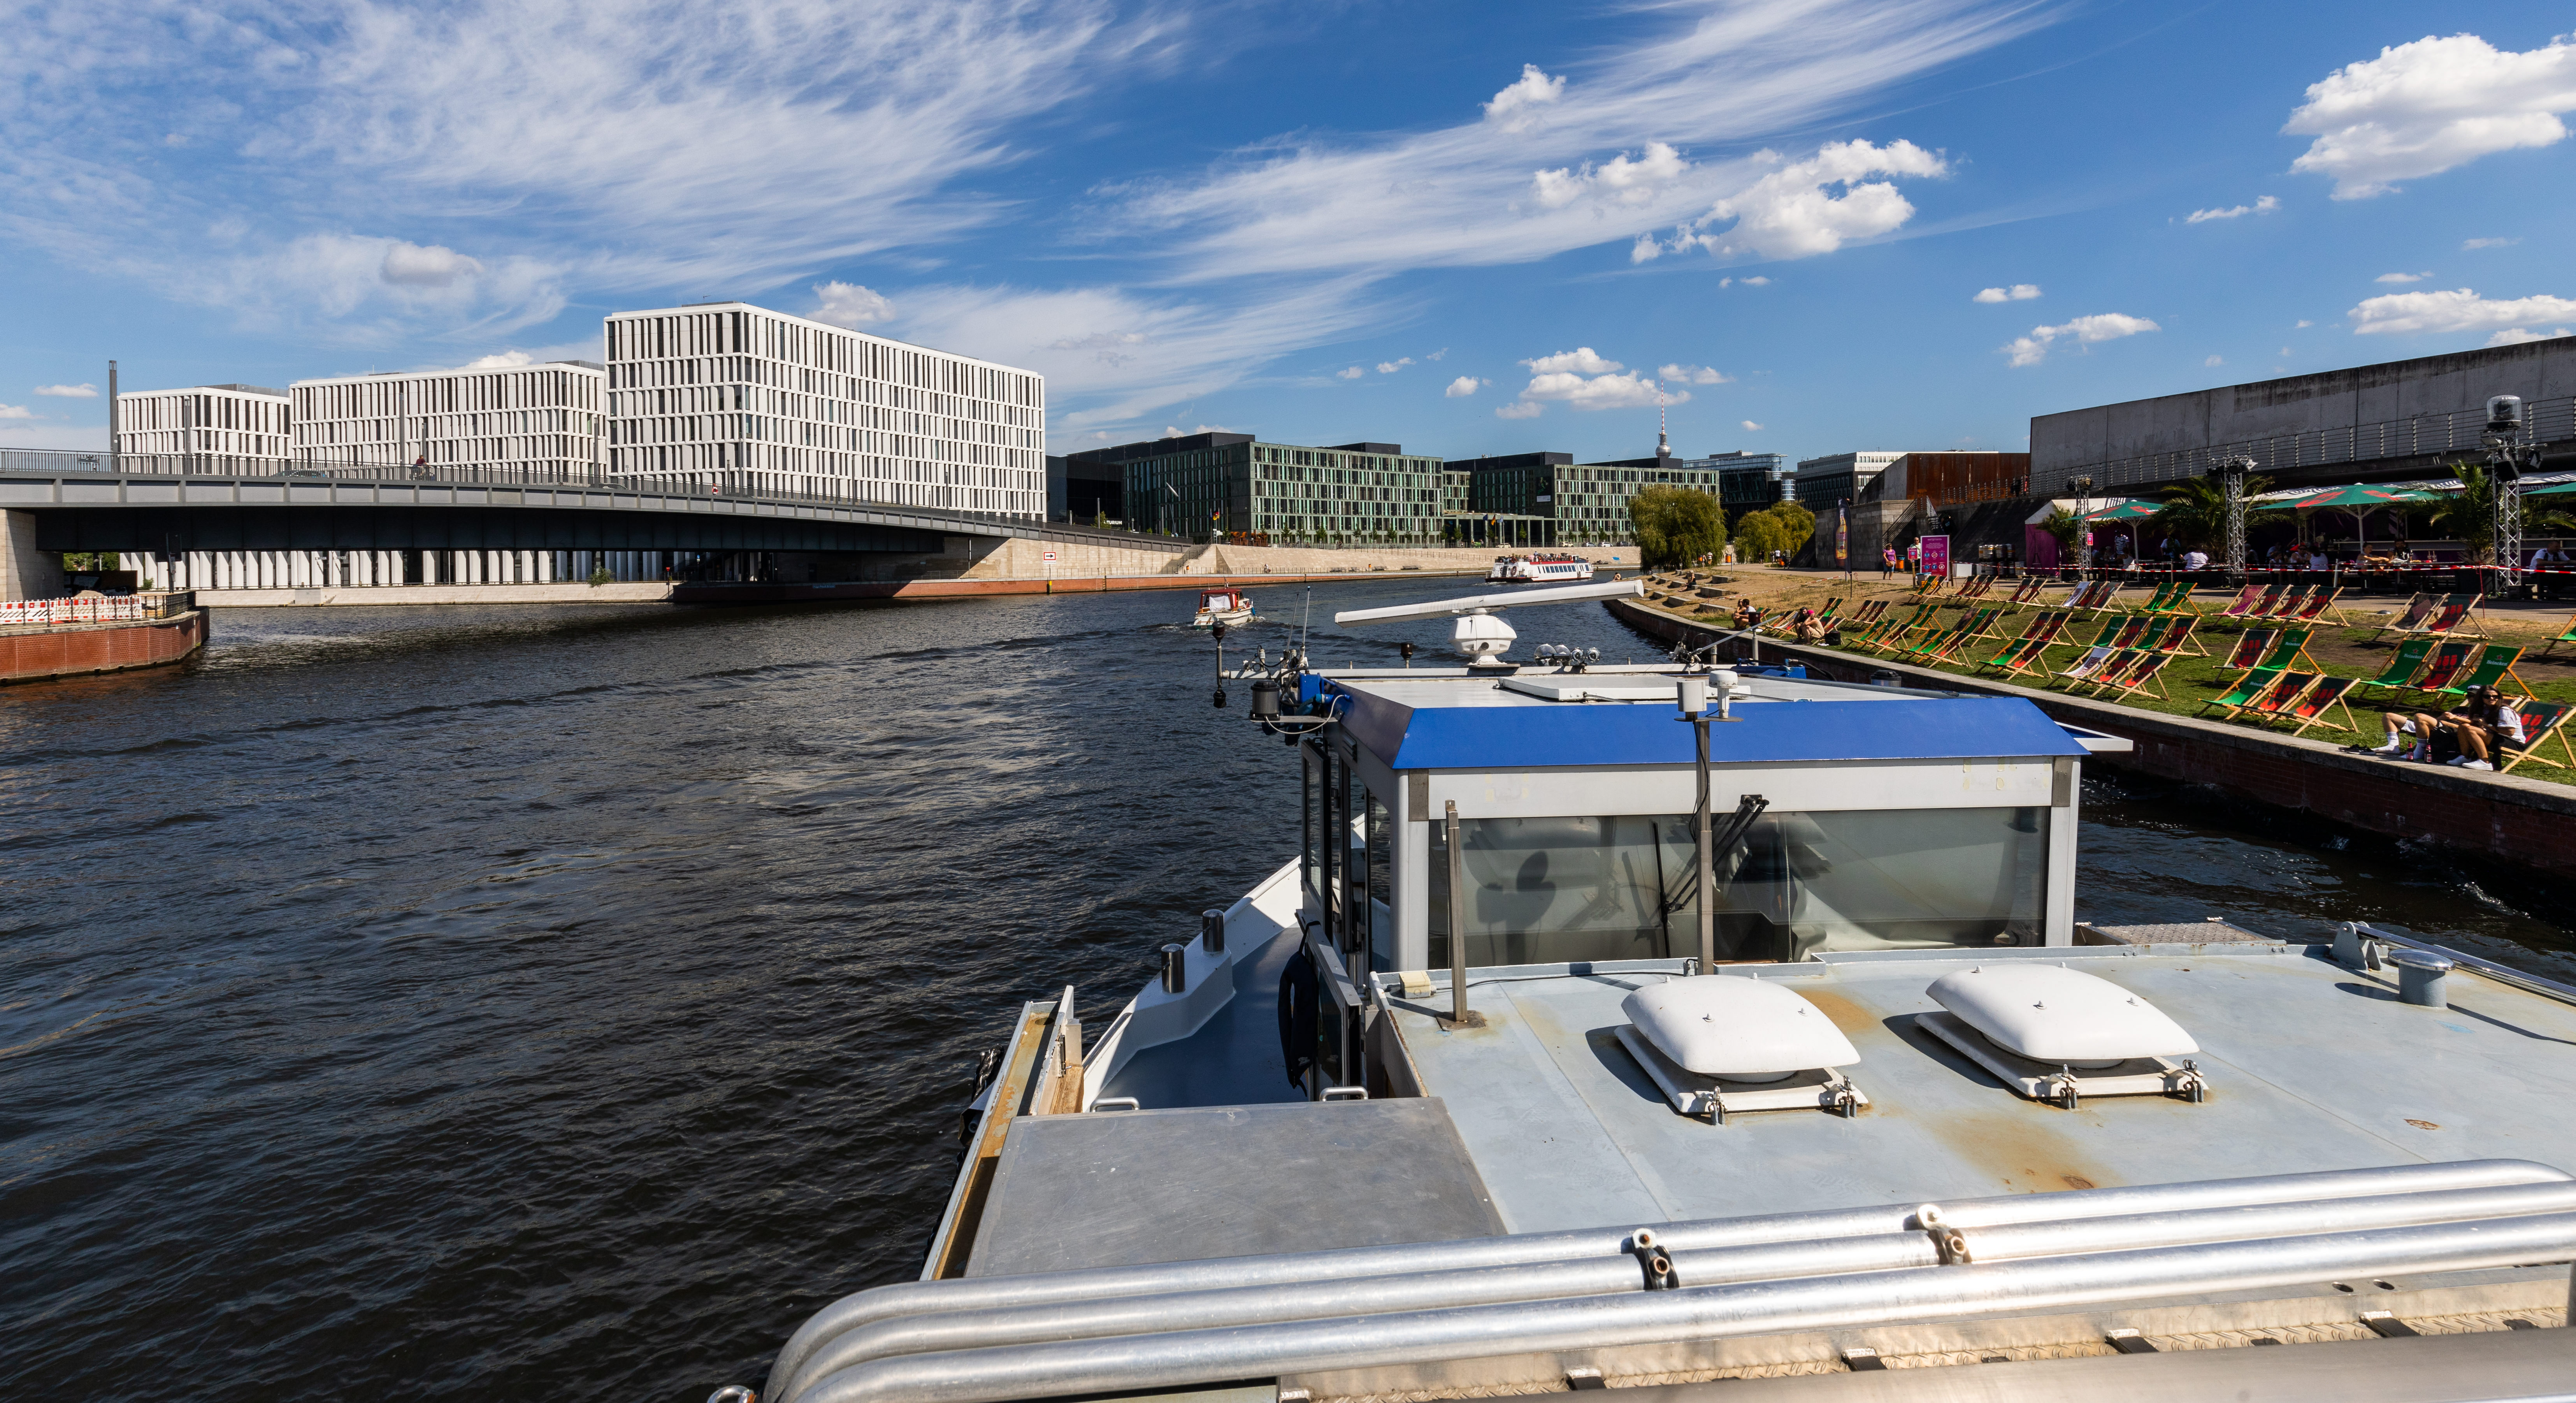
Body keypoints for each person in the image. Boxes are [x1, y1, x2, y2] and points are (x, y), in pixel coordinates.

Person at [2361, 686, 2525, 770]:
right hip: (2484, 735)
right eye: (2487, 696)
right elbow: (2476, 725)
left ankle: (2485, 761)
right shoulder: (2478, 710)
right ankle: (2465, 757)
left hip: (2510, 742)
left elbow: (2509, 732)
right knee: (2391, 716)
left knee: (2466, 728)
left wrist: (2483, 724)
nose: (2491, 699)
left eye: (2495, 696)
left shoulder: (2503, 710)